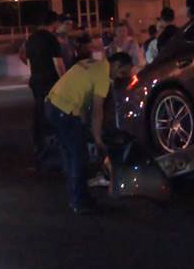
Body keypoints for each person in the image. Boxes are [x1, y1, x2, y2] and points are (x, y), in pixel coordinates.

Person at [44, 52, 134, 214]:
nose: (122, 78)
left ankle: (78, 195)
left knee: (71, 154)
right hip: (64, 110)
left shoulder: (91, 63)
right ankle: (78, 201)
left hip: (52, 105)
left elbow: (83, 96)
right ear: (116, 65)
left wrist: (84, 124)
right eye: (122, 73)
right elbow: (97, 110)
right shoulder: (103, 76)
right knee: (79, 156)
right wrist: (98, 138)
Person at [19, 11, 67, 168]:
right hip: (50, 82)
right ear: (53, 23)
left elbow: (26, 58)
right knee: (53, 115)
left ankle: (39, 149)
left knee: (39, 113)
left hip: (36, 82)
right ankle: (53, 151)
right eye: (57, 24)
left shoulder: (31, 39)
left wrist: (35, 70)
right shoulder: (51, 39)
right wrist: (67, 81)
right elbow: (58, 64)